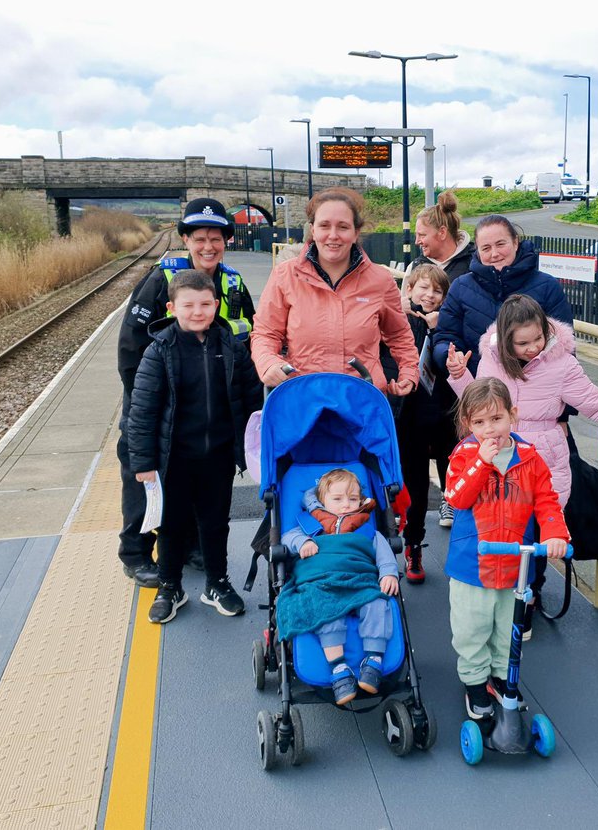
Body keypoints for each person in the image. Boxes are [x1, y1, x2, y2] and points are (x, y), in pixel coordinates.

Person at [116, 197, 256, 587]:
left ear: (226, 241)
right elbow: (130, 347)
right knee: (145, 479)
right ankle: (136, 553)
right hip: (158, 405)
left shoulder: (232, 283)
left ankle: (192, 547)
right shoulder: (161, 279)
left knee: (196, 484)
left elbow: (248, 337)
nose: (208, 246)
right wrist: (142, 406)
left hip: (208, 409)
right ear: (185, 238)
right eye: (199, 238)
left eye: (216, 238)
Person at [126, 270, 263, 623]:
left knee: (215, 522)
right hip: (173, 459)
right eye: (188, 305)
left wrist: (249, 448)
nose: (198, 311)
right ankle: (170, 585)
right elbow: (142, 411)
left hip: (216, 456)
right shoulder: (160, 351)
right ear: (172, 308)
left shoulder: (231, 347)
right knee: (171, 524)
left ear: (216, 305)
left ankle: (217, 582)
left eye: (205, 304)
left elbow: (250, 400)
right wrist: (143, 462)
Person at [443, 378, 569, 721]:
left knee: (506, 629)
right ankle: (473, 682)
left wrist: (556, 533)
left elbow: (545, 500)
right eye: (479, 422)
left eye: (496, 419)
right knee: (472, 628)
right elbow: (456, 498)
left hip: (515, 566)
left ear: (512, 415)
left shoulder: (528, 457)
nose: (489, 429)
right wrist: (481, 462)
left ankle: (500, 678)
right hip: (473, 564)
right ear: (468, 424)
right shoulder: (464, 455)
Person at [447, 293, 598, 508]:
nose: (533, 348)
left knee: (545, 524)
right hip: (497, 452)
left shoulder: (562, 363)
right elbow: (480, 407)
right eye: (522, 343)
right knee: (500, 526)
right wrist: (460, 375)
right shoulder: (492, 359)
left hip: (544, 457)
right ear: (505, 339)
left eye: (538, 338)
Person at [250, 187, 419, 394]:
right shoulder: (285, 275)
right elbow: (265, 333)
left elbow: (399, 334)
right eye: (324, 226)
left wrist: (409, 373)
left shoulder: (381, 280)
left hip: (363, 400)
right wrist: (267, 361)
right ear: (313, 230)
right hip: (304, 398)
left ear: (356, 232)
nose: (333, 235)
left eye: (343, 227)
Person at [279, 469, 400, 705]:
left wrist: (388, 573)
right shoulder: (308, 525)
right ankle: (338, 668)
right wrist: (302, 542)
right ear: (321, 501)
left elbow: (384, 554)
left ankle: (373, 660)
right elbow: (287, 538)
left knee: (377, 602)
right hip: (322, 582)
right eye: (337, 499)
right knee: (324, 610)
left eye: (353, 499)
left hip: (360, 580)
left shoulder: (366, 529)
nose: (346, 505)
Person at [433, 213, 573, 375]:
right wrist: (449, 356)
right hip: (478, 389)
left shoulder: (547, 286)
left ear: (515, 242)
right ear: (477, 251)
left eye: (500, 244)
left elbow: (565, 346)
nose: (494, 253)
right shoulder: (460, 287)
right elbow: (445, 336)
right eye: (486, 248)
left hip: (535, 389)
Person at [395, 264, 458, 584]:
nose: (430, 295)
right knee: (417, 492)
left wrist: (439, 329)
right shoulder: (400, 323)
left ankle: (466, 552)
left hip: (447, 418)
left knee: (458, 491)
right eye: (423, 288)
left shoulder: (450, 325)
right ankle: (413, 546)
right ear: (409, 290)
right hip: (412, 421)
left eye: (437, 291)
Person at [409, 189, 475, 283]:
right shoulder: (415, 267)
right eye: (416, 235)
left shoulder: (476, 263)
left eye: (422, 235)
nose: (417, 241)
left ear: (442, 232)